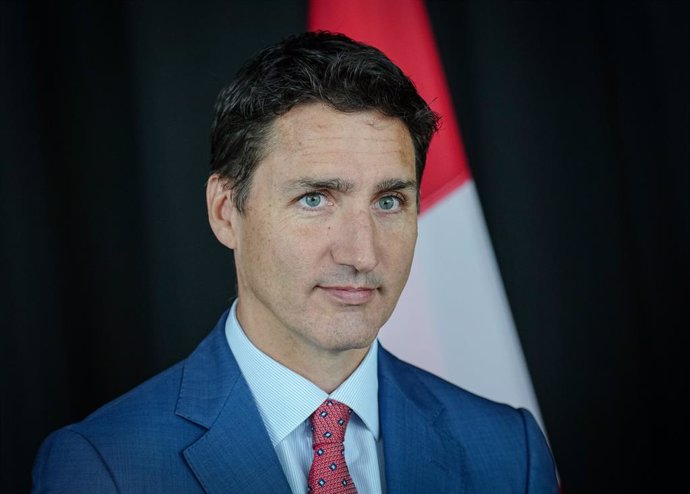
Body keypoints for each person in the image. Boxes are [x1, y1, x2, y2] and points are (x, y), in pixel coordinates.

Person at [32, 31, 559, 493]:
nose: (361, 253)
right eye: (315, 198)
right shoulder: (106, 468)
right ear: (225, 212)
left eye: (389, 202)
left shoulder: (511, 451)